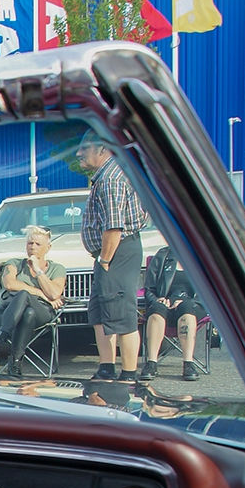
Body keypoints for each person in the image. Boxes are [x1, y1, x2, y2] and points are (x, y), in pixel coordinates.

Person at [78, 135, 148, 381]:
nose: (79, 154)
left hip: (118, 252)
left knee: (121, 313)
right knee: (100, 312)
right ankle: (106, 368)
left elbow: (114, 227)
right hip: (110, 254)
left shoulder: (111, 179)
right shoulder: (104, 177)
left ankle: (128, 374)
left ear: (103, 149)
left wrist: (105, 260)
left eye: (85, 148)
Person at [0, 226, 65, 369]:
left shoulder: (57, 269)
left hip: (42, 313)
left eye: (38, 244)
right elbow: (10, 284)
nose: (33, 247)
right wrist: (41, 293)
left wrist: (37, 269)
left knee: (24, 295)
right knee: (27, 311)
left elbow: (54, 293)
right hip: (6, 312)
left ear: (48, 247)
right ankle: (16, 363)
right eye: (30, 243)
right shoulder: (13, 264)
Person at [140, 246, 205, 381]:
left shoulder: (203, 258)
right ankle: (151, 363)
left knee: (187, 308)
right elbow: (149, 289)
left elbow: (208, 292)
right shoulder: (163, 255)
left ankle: (188, 363)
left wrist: (181, 301)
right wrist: (158, 300)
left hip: (192, 304)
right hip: (164, 303)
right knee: (157, 310)